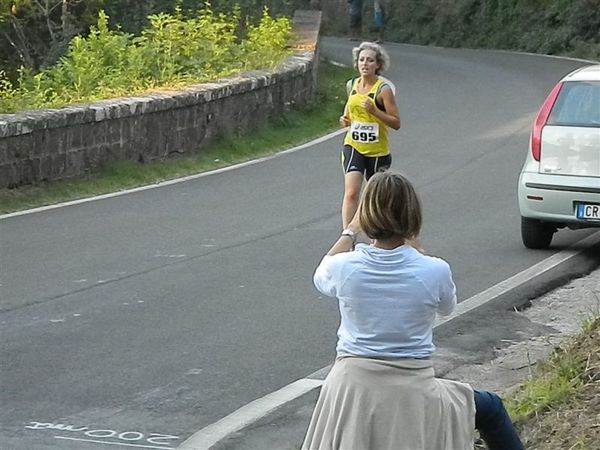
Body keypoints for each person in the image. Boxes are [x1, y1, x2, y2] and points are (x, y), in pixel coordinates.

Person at [302, 171, 524, 450]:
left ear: (366, 216)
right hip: (412, 388)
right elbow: (447, 307)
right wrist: (416, 248)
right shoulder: (434, 270)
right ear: (412, 216)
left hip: (352, 389)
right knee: (490, 407)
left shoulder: (344, 267)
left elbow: (321, 273)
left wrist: (350, 231)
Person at [339, 41, 400, 229]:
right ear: (356, 63)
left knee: (378, 199)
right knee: (351, 193)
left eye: (370, 61)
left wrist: (375, 112)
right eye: (361, 60)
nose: (365, 64)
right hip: (354, 145)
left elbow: (396, 123)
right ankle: (348, 239)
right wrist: (345, 120)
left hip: (378, 152)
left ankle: (380, 238)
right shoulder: (352, 85)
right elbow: (348, 113)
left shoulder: (383, 90)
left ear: (378, 65)